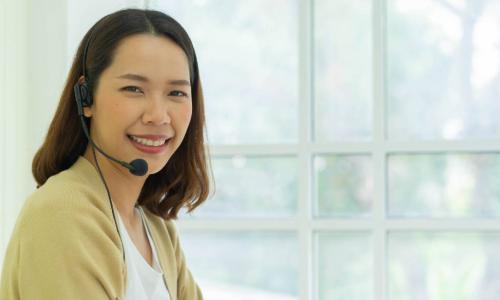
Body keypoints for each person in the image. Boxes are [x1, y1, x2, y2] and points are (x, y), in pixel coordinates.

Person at [0, 8, 212, 300]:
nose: (158, 116)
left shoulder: (155, 227)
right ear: (86, 98)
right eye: (134, 88)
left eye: (176, 93)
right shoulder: (62, 212)